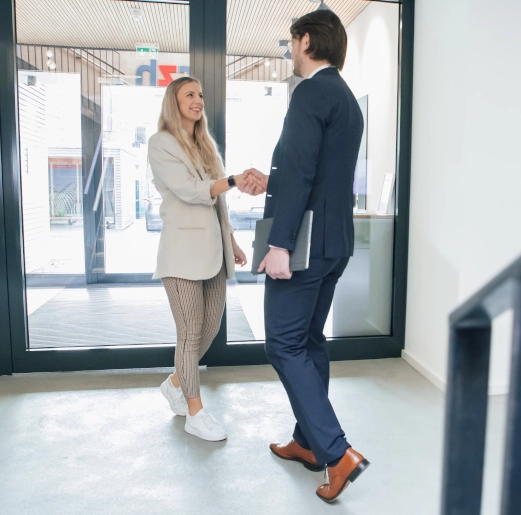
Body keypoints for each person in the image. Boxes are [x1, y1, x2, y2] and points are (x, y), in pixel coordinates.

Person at [241, 10, 369, 503]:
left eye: (290, 42)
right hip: (335, 242)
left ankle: (336, 453)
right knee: (310, 341)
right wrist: (272, 183)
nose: (289, 51)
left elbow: (299, 170)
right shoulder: (346, 100)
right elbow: (318, 176)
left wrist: (278, 245)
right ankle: (307, 442)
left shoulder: (309, 92)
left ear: (308, 40)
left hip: (304, 245)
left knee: (283, 344)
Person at [149, 77, 262, 442]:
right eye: (189, 95)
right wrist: (232, 179)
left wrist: (232, 242)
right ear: (174, 102)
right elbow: (191, 191)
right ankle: (194, 411)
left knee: (209, 330)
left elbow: (219, 204)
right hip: (181, 254)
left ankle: (174, 383)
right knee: (190, 333)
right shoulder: (161, 144)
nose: (198, 100)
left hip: (213, 253)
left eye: (200, 94)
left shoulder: (205, 146)